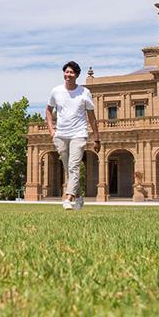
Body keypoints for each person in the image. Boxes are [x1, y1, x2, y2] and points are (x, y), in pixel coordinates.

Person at [46, 61, 101, 210]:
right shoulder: (56, 91)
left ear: (76, 75)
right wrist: (52, 130)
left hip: (79, 134)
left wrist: (96, 138)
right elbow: (49, 110)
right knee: (68, 169)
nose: (68, 75)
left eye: (71, 72)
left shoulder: (84, 92)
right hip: (61, 135)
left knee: (74, 166)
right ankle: (79, 196)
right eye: (66, 72)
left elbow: (92, 117)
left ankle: (67, 199)